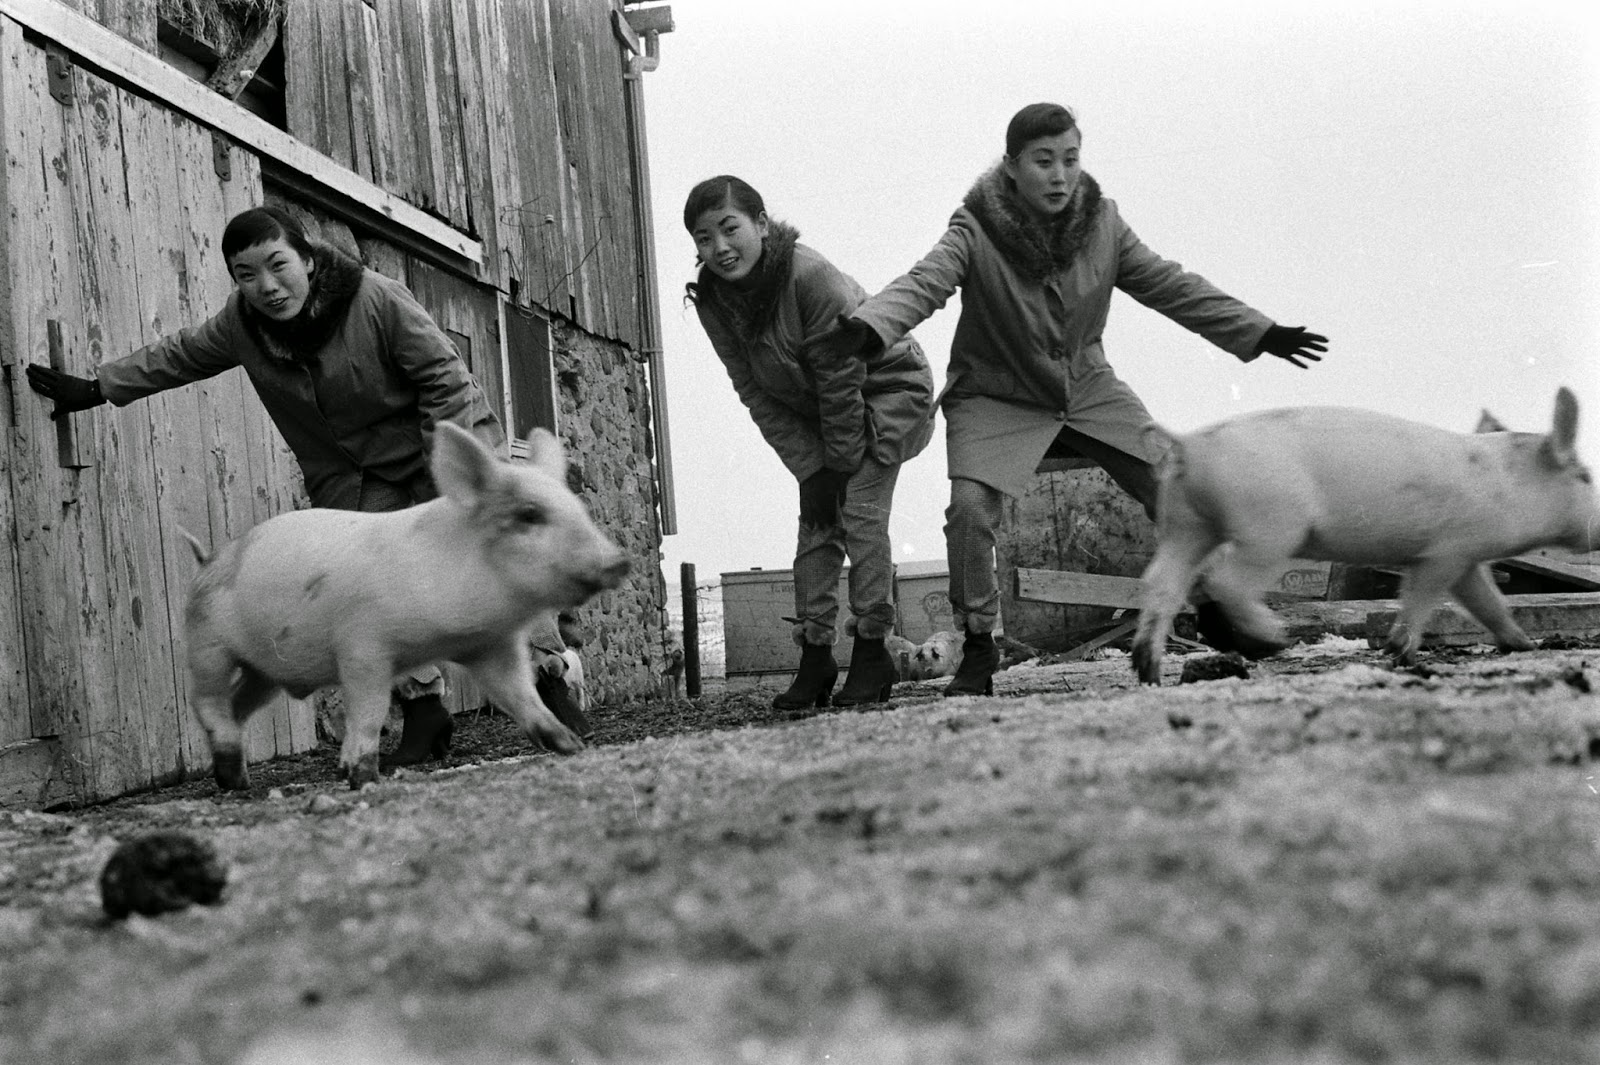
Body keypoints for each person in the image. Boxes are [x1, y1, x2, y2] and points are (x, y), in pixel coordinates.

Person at [825, 103, 1329, 697]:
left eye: (1070, 159)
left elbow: (1168, 283)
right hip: (995, 394)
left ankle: (1218, 603)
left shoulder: (1103, 224)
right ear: (1012, 167)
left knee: (1174, 479)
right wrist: (871, 325)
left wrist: (1257, 330)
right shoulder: (975, 228)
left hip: (1086, 388)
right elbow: (925, 281)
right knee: (968, 510)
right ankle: (979, 644)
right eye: (1044, 162)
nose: (1060, 175)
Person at [24, 204, 522, 767]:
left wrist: (450, 472)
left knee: (485, 554)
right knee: (364, 588)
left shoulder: (376, 298)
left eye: (277, 264)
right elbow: (180, 355)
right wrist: (95, 389)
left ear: (307, 259)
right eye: (246, 274)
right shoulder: (242, 327)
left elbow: (443, 378)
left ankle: (551, 678)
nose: (267, 286)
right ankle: (424, 710)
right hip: (350, 477)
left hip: (430, 445)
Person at [684, 176, 936, 712]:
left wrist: (838, 466)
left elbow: (842, 376)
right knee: (817, 518)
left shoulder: (810, 277)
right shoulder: (713, 301)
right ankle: (816, 656)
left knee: (861, 510)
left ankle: (872, 651)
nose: (720, 248)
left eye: (730, 229)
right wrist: (810, 469)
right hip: (819, 411)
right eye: (704, 238)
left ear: (761, 224)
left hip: (887, 390)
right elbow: (752, 389)